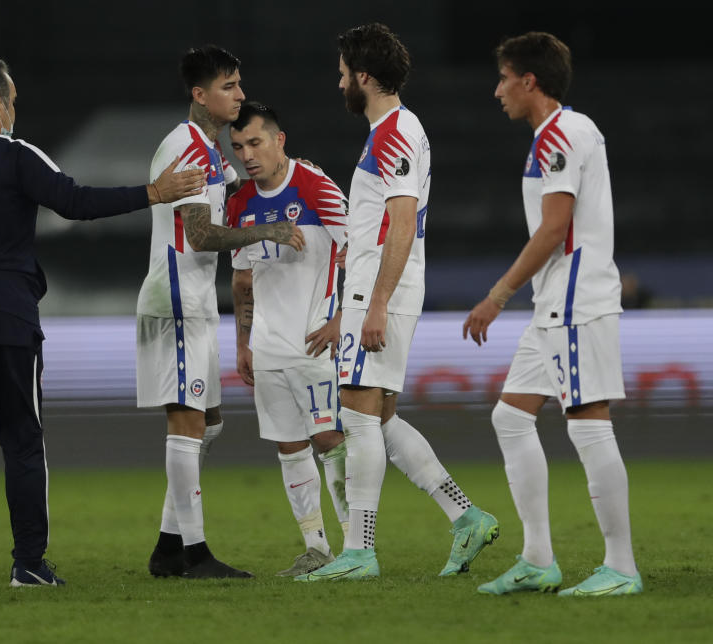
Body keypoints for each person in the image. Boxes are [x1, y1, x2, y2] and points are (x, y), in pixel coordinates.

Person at [0, 56, 206, 590]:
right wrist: (153, 193)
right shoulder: (16, 156)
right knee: (21, 440)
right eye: (11, 101)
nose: (14, 110)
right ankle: (29, 565)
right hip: (6, 320)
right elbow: (75, 203)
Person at [299, 23, 498, 582]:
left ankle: (359, 552)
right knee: (379, 418)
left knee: (356, 416)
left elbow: (402, 222)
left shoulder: (392, 132)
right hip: (380, 286)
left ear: (363, 76)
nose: (338, 82)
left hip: (379, 287)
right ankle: (466, 516)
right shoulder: (397, 129)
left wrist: (377, 301)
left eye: (342, 73)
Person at [464, 32, 642, 597]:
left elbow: (554, 228)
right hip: (555, 305)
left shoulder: (557, 135)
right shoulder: (570, 128)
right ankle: (538, 558)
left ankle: (622, 567)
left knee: (588, 422)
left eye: (503, 78)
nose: (498, 91)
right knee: (510, 417)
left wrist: (497, 294)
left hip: (573, 302)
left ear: (529, 80)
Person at [137, 47, 305, 579]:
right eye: (229, 86)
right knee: (187, 425)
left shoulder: (212, 152)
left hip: (197, 300)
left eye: (238, 84)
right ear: (199, 95)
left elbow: (238, 198)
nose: (238, 94)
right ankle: (195, 553)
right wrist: (269, 230)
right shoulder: (185, 146)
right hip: (175, 301)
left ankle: (168, 547)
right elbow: (200, 232)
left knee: (207, 425)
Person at [227, 102, 349, 576]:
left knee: (329, 439)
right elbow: (241, 280)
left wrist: (342, 317)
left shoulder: (315, 185)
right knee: (289, 446)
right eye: (237, 147)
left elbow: (358, 250)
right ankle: (316, 548)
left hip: (315, 340)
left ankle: (358, 546)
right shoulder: (239, 205)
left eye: (255, 143)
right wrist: (243, 343)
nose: (247, 155)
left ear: (279, 140)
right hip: (269, 347)